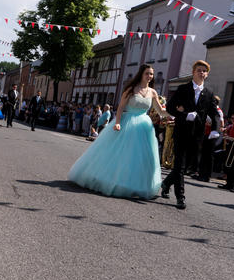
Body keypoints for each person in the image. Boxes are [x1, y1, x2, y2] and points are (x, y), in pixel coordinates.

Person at [68, 64, 169, 198]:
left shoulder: (152, 92)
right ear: (141, 74)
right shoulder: (131, 89)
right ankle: (112, 181)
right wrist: (117, 123)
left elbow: (161, 111)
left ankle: (137, 185)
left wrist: (176, 113)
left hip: (144, 126)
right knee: (121, 154)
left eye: (151, 74)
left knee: (142, 157)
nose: (149, 76)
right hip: (127, 123)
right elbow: (121, 107)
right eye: (147, 73)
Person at [161, 60, 219, 209]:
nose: (201, 73)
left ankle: (166, 183)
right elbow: (170, 107)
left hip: (197, 136)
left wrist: (215, 129)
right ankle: (180, 197)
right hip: (181, 132)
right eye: (199, 70)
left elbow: (214, 114)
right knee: (179, 166)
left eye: (204, 71)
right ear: (193, 72)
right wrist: (185, 115)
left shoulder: (209, 93)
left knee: (185, 167)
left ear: (207, 74)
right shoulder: (183, 89)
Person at [196, 96, 224, 182]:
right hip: (206, 133)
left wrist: (211, 124)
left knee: (209, 155)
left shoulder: (218, 111)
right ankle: (201, 173)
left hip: (212, 134)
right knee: (204, 154)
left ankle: (207, 175)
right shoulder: (209, 110)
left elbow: (221, 124)